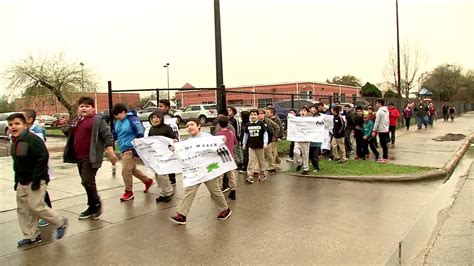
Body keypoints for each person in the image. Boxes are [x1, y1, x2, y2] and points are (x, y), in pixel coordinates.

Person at [8, 113, 68, 247]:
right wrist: (16, 181)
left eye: (17, 123)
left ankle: (60, 222)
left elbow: (42, 158)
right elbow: (18, 163)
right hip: (21, 181)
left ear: (24, 125)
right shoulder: (15, 140)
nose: (13, 126)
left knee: (37, 206)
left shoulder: (32, 139)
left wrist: (36, 180)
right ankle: (31, 235)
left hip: (36, 180)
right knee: (23, 210)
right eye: (11, 124)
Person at [63, 96, 118, 220]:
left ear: (92, 108)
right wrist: (66, 127)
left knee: (87, 181)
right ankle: (92, 206)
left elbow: (107, 136)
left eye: (87, 106)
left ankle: (96, 204)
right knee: (86, 182)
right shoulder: (77, 120)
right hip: (79, 157)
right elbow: (70, 134)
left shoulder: (97, 120)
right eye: (82, 106)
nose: (84, 108)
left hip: (91, 157)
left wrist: (110, 151)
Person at [170, 118, 231, 225]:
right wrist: (175, 148)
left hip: (208, 169)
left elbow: (217, 146)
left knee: (215, 191)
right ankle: (182, 215)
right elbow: (183, 155)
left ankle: (225, 209)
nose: (189, 127)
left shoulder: (207, 137)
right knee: (189, 191)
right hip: (195, 171)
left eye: (192, 124)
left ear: (198, 126)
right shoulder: (187, 142)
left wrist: (221, 141)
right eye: (187, 126)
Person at [111, 103, 154, 201]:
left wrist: (136, 151)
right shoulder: (118, 121)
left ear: (123, 112)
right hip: (123, 148)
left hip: (130, 149)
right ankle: (147, 181)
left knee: (125, 171)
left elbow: (140, 134)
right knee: (132, 169)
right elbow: (115, 134)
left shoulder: (132, 120)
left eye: (117, 115)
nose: (116, 117)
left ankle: (128, 192)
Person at [23, 109, 52, 227]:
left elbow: (40, 150)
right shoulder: (26, 131)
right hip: (30, 166)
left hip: (38, 166)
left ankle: (48, 213)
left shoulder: (36, 131)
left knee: (40, 188)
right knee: (38, 189)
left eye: (22, 117)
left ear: (29, 119)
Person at [148, 110, 176, 203]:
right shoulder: (151, 129)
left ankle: (168, 192)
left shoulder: (166, 128)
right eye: (153, 117)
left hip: (165, 154)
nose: (155, 119)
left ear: (161, 118)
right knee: (157, 175)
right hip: (155, 154)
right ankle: (163, 193)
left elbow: (173, 139)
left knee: (163, 174)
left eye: (157, 117)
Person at [215, 116, 238, 200]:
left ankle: (219, 191)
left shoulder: (218, 134)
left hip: (221, 156)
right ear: (228, 123)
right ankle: (233, 191)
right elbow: (235, 142)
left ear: (219, 124)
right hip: (230, 156)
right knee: (231, 175)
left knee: (220, 175)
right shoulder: (231, 133)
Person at [242, 109, 268, 183]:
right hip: (251, 146)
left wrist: (265, 143)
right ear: (250, 116)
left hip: (260, 146)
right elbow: (246, 135)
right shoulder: (248, 124)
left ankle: (262, 173)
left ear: (257, 116)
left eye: (255, 114)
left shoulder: (261, 124)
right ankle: (250, 175)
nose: (253, 116)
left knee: (261, 160)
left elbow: (265, 134)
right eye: (252, 114)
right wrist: (244, 143)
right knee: (251, 161)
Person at [158, 99, 179, 185]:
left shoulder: (171, 117)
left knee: (171, 159)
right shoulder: (157, 115)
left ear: (167, 107)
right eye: (159, 106)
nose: (159, 108)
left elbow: (176, 129)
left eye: (161, 106)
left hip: (170, 141)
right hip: (161, 141)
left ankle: (172, 178)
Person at [258, 109, 279, 175]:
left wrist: (275, 136)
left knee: (269, 154)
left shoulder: (268, 121)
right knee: (259, 156)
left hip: (268, 140)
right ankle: (260, 168)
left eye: (262, 114)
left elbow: (277, 127)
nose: (260, 115)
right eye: (259, 114)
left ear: (264, 115)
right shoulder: (256, 122)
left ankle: (272, 167)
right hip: (259, 141)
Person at [293, 106, 311, 174]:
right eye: (301, 110)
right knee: (295, 151)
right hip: (297, 138)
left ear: (307, 112)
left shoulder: (309, 120)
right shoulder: (297, 119)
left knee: (305, 154)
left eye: (304, 110)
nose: (302, 112)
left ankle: (306, 168)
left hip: (305, 139)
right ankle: (300, 163)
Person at [372, 99, 390, 163]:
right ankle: (385, 157)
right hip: (386, 129)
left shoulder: (379, 111)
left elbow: (377, 122)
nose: (376, 105)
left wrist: (374, 130)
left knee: (383, 144)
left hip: (382, 130)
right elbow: (387, 121)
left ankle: (385, 158)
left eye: (376, 103)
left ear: (380, 103)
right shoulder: (386, 110)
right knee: (384, 144)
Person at [309, 105, 322, 172]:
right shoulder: (308, 117)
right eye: (312, 109)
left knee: (314, 155)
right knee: (310, 155)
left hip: (317, 139)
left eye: (314, 109)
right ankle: (314, 165)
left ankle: (316, 167)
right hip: (309, 139)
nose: (313, 110)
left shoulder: (320, 117)